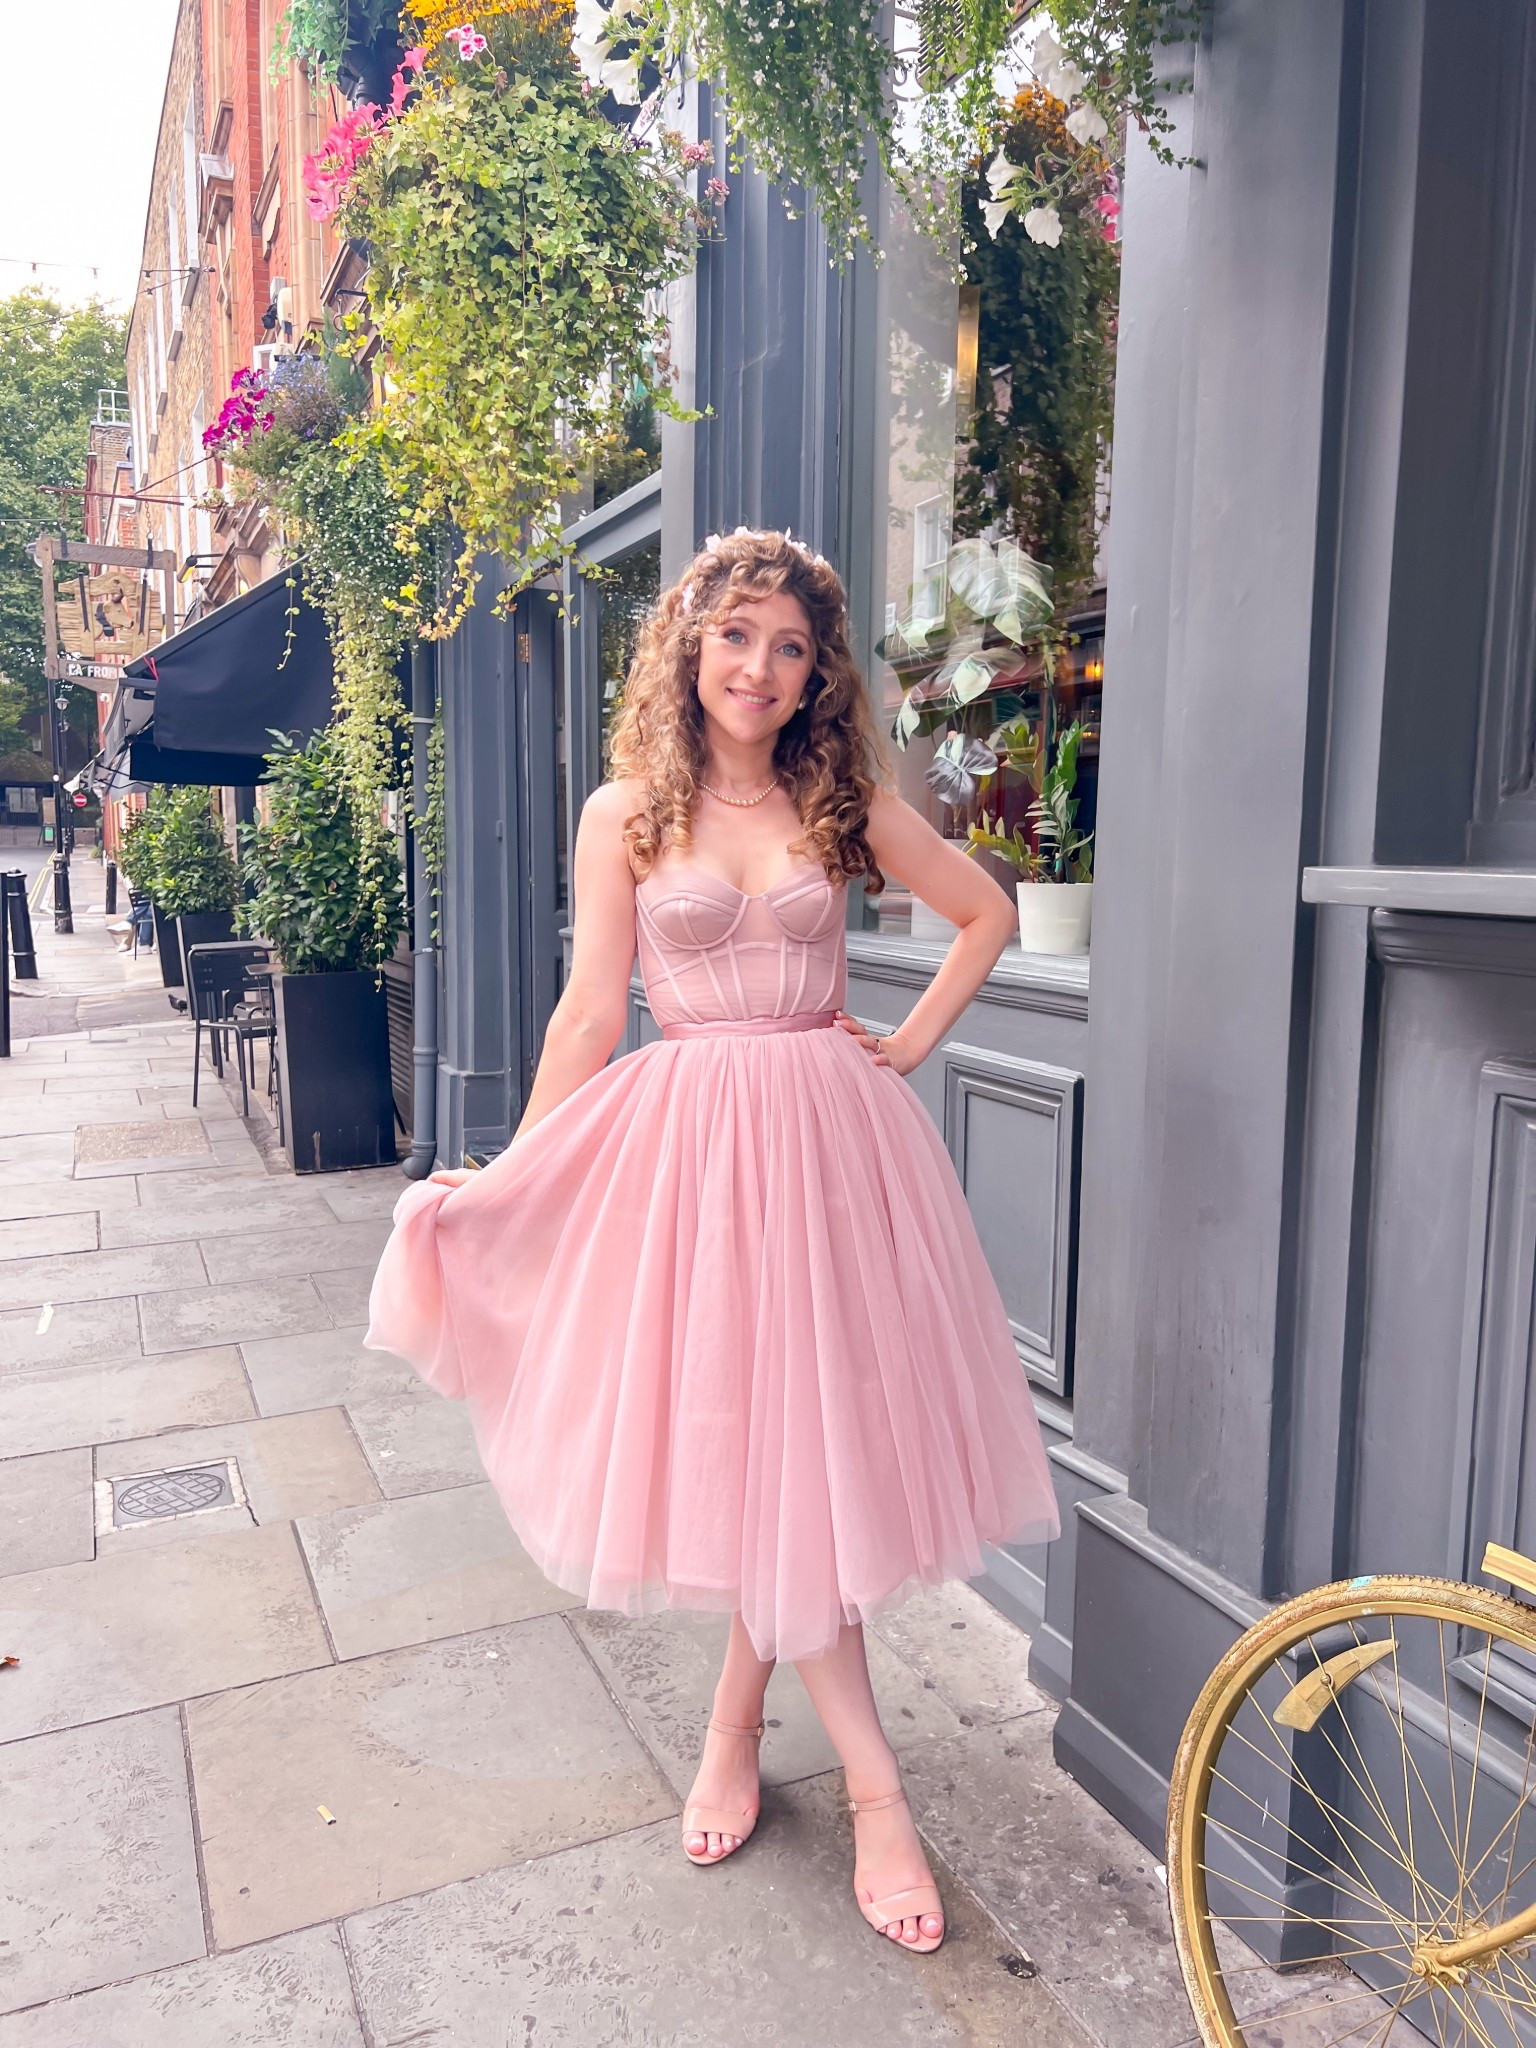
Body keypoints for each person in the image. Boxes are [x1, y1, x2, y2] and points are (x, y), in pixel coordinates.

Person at [365, 526, 1060, 1956]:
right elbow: (585, 1012)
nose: (761, 665)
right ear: (690, 643)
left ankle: (753, 1738)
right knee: (761, 1448)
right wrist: (512, 1175)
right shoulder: (625, 809)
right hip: (694, 1163)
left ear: (818, 675)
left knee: (796, 1456)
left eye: (792, 645)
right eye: (738, 633)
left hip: (831, 1157)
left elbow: (986, 914)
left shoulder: (844, 799)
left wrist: (908, 1045)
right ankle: (860, 1783)